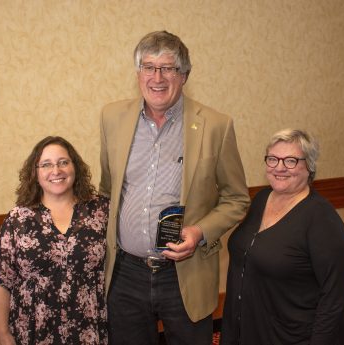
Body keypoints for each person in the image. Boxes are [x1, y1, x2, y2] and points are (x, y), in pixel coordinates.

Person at [99, 30, 250, 345]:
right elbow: (107, 191)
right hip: (126, 274)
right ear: (138, 73)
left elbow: (236, 199)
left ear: (184, 75)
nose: (158, 77)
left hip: (184, 273)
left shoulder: (215, 126)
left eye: (168, 68)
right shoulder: (112, 117)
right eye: (149, 67)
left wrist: (199, 232)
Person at [221, 129, 344, 345]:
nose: (279, 167)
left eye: (291, 161)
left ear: (310, 166)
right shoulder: (261, 199)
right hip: (254, 327)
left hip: (296, 335)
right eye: (273, 159)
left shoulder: (321, 218)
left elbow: (333, 298)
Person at [0, 136, 109, 345]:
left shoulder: (100, 211)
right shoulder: (18, 219)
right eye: (46, 164)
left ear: (75, 167)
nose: (56, 170)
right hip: (33, 330)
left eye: (63, 162)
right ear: (35, 173)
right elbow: (2, 280)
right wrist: (2, 333)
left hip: (90, 328)